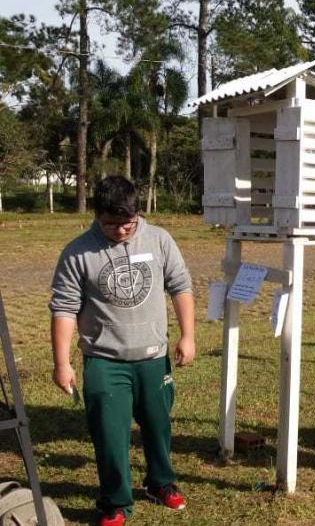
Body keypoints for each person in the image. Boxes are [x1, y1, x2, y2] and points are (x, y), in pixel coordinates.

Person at [49, 176, 195, 526]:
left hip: (153, 357)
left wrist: (188, 335)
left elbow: (181, 285)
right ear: (97, 216)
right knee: (110, 434)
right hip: (104, 362)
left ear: (137, 213)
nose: (119, 231)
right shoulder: (77, 251)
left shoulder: (159, 239)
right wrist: (61, 362)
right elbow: (64, 308)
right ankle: (115, 502)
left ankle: (160, 483)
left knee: (158, 426)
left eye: (127, 223)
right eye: (110, 224)